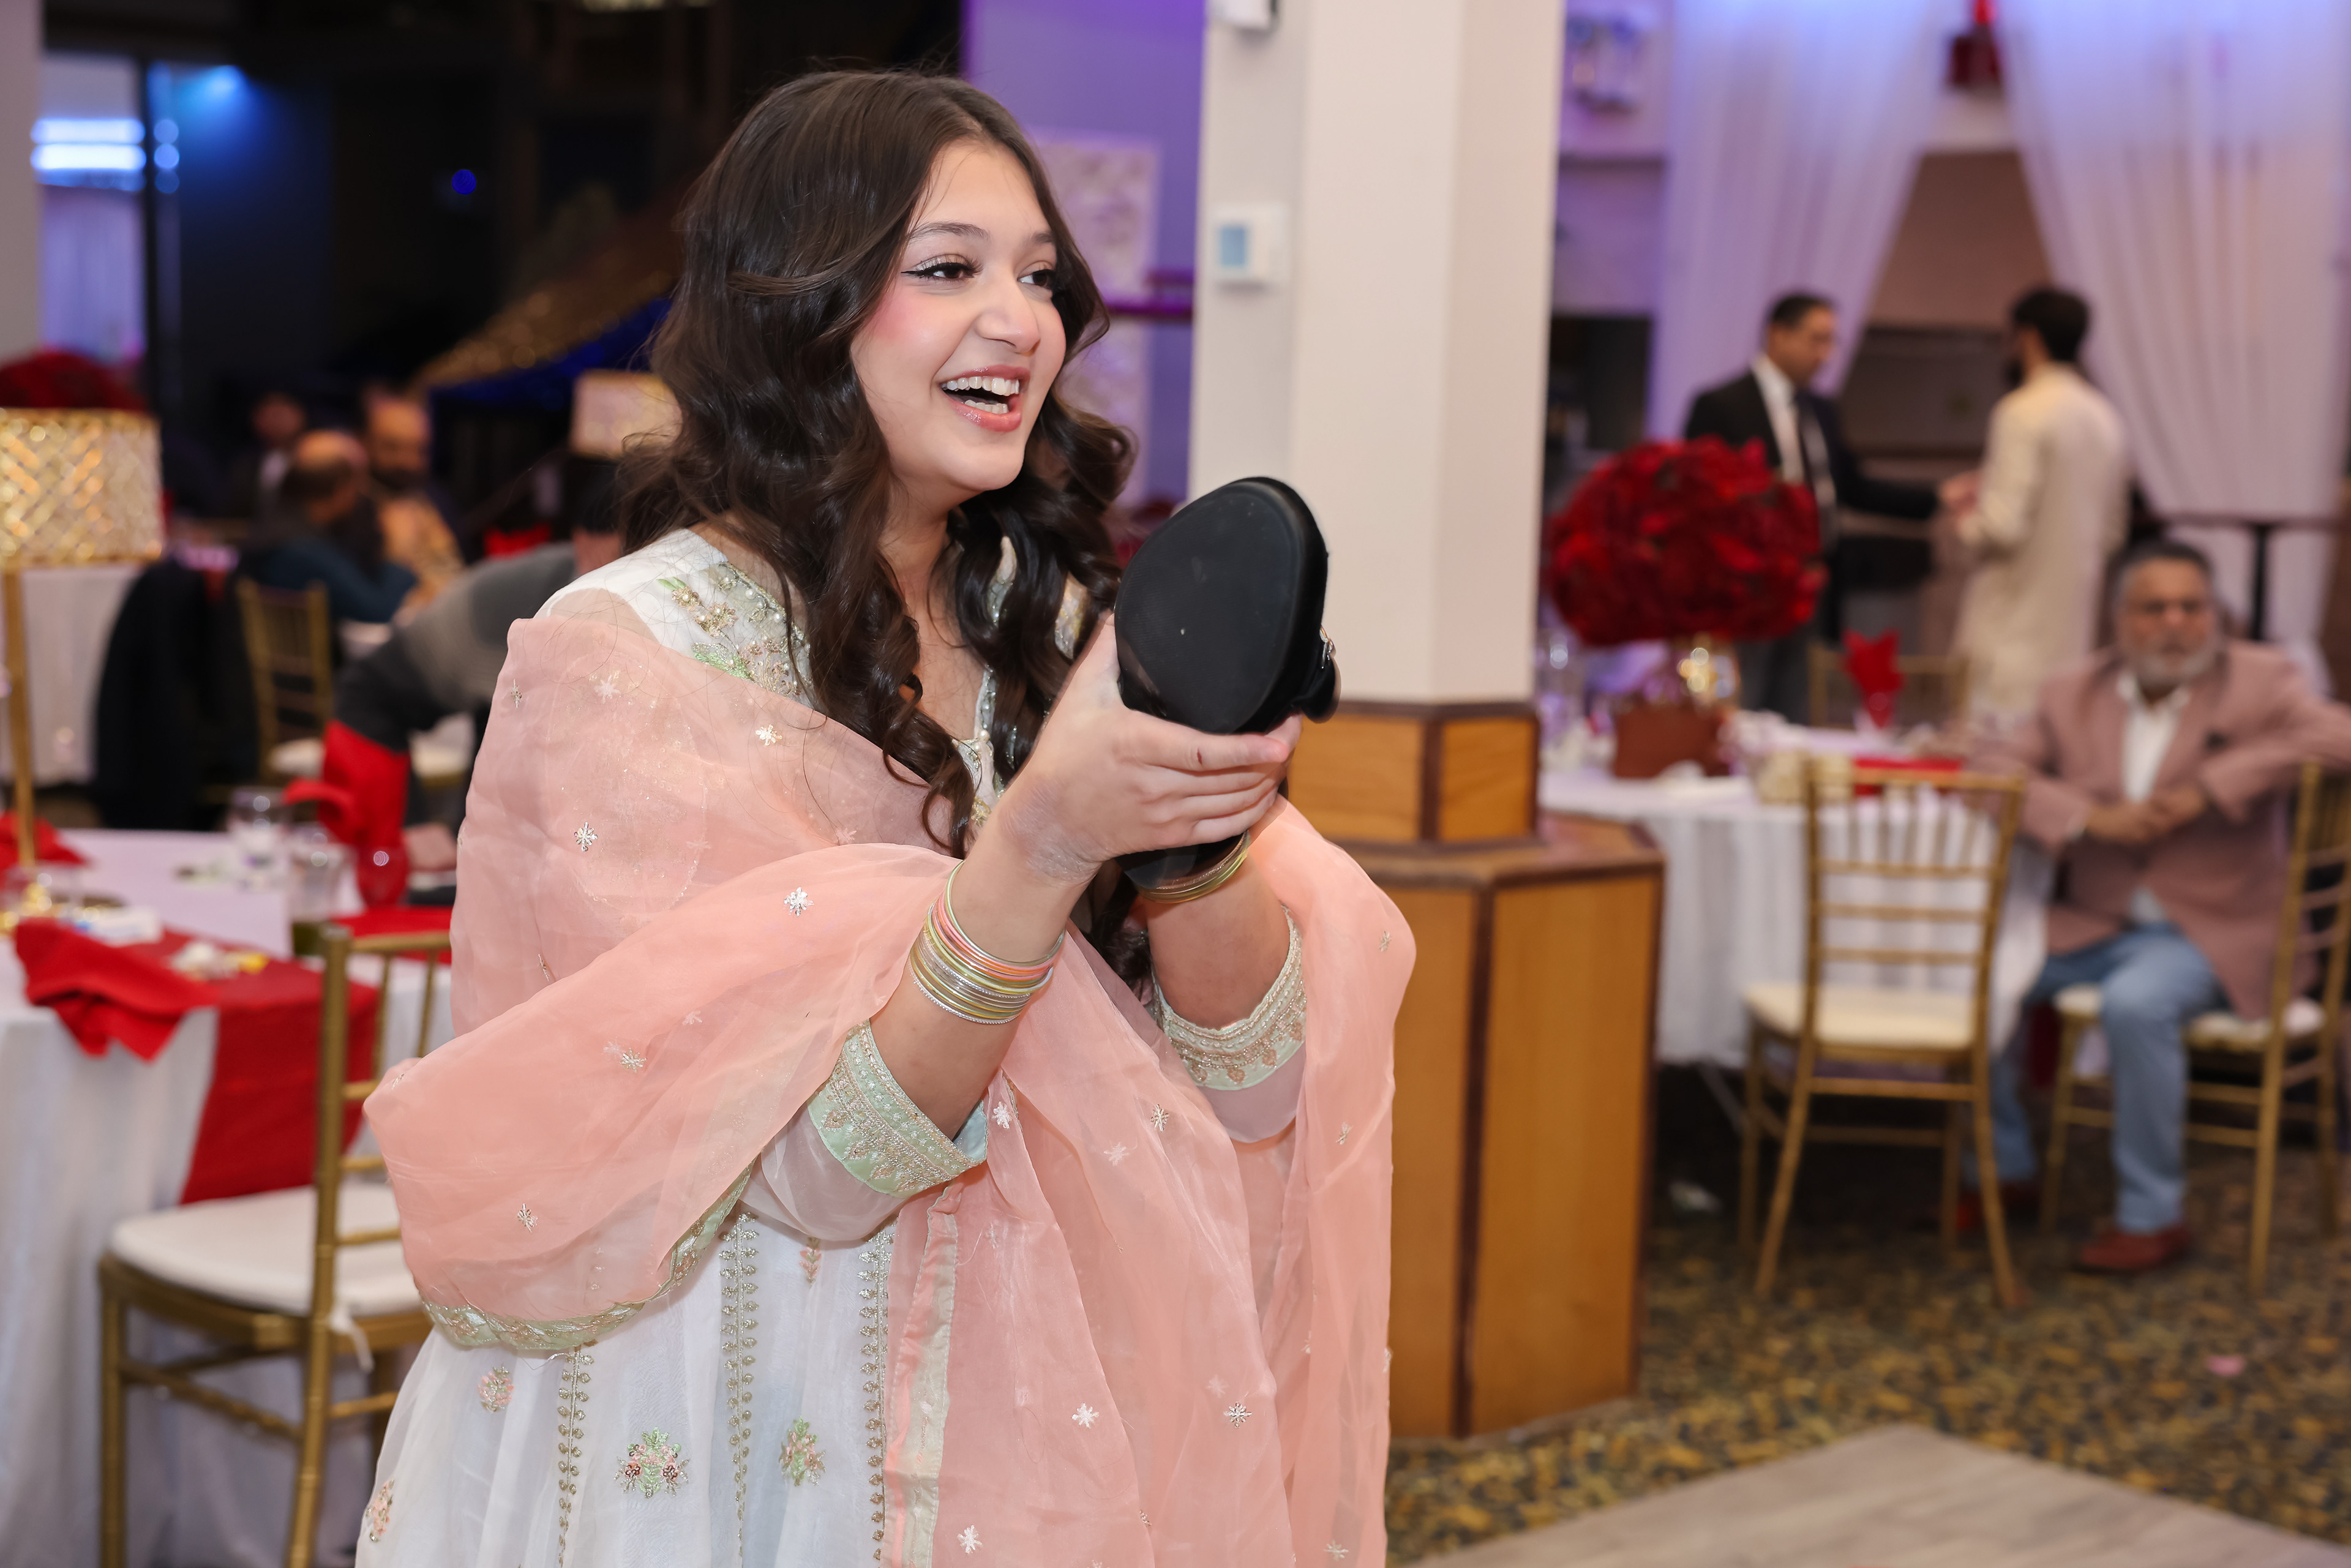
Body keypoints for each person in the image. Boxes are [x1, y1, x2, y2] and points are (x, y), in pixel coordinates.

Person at [359, 70, 1404, 1567]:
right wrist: (1041, 842)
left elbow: (1251, 1087)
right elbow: (827, 1173)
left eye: (1037, 276)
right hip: (733, 1413)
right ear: (796, 306)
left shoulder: (1049, 621)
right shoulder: (631, 656)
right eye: (948, 269)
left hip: (1029, 1398)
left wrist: (1196, 820)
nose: (1019, 320)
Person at [1975, 539, 2351, 1272]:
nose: (2175, 623)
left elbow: (2339, 733)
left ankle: (2152, 1215)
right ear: (2120, 618)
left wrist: (2212, 787)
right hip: (2094, 923)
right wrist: (2088, 819)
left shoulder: (2264, 678)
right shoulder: (2071, 691)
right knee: (1975, 973)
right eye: (2155, 608)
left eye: (2192, 606)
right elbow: (1990, 770)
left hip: (2213, 932)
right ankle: (2003, 1169)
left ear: (2217, 615)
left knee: (2136, 1004)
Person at [336, 458, 626, 873]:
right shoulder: (511, 600)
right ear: (587, 544)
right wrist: (409, 824)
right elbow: (369, 693)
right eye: (634, 553)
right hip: (505, 857)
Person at [1684, 293, 1940, 720]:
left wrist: (1936, 499)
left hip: (1813, 583)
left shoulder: (1820, 410)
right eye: (1816, 339)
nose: (1825, 354)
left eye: (1831, 342)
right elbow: (1700, 500)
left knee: (1798, 705)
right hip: (1752, 589)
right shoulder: (1722, 405)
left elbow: (1851, 487)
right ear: (1778, 335)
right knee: (1743, 704)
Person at [1939, 287, 2129, 721]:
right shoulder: (2106, 417)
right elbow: (2112, 532)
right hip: (2070, 641)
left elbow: (2000, 528)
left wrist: (1964, 514)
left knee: (1989, 752)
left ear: (2028, 338)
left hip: (2009, 638)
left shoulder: (2023, 411)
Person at [242, 429, 416, 625]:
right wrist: (398, 553)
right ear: (342, 488)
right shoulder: (300, 550)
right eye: (359, 485)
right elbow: (377, 611)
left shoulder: (279, 526)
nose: (363, 495)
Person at [363, 394, 468, 601]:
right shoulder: (353, 507)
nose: (408, 462)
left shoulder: (437, 496)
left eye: (419, 450)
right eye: (393, 447)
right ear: (366, 443)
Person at [222, 389, 306, 520]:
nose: (276, 422)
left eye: (280, 414)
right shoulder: (246, 463)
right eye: (269, 415)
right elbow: (232, 508)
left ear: (299, 415)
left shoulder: (313, 459)